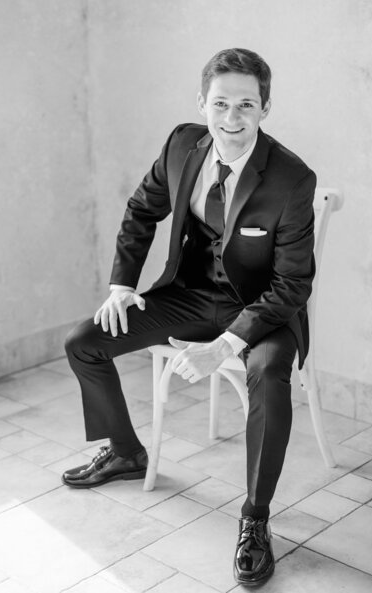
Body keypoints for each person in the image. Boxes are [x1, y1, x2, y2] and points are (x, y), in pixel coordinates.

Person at [63, 48, 316, 586]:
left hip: (262, 309)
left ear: (265, 107)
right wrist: (121, 285)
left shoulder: (292, 178)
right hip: (189, 294)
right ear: (201, 102)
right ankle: (126, 452)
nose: (232, 118)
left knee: (269, 376)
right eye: (220, 103)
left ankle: (255, 519)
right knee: (84, 340)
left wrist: (225, 345)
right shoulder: (182, 145)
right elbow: (141, 210)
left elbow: (292, 284)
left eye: (246, 104)